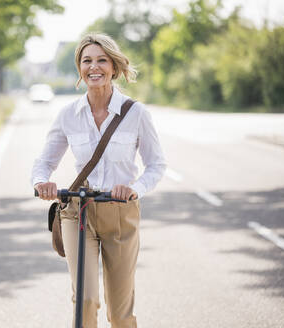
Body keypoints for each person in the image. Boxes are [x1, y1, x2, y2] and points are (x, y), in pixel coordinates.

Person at [31, 33, 166, 327]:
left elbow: (156, 164)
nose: (94, 67)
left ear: (114, 67)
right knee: (85, 300)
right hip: (78, 212)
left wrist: (134, 189)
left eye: (102, 60)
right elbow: (44, 162)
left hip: (120, 212)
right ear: (79, 68)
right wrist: (42, 182)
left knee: (119, 312)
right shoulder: (68, 114)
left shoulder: (136, 113)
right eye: (87, 60)